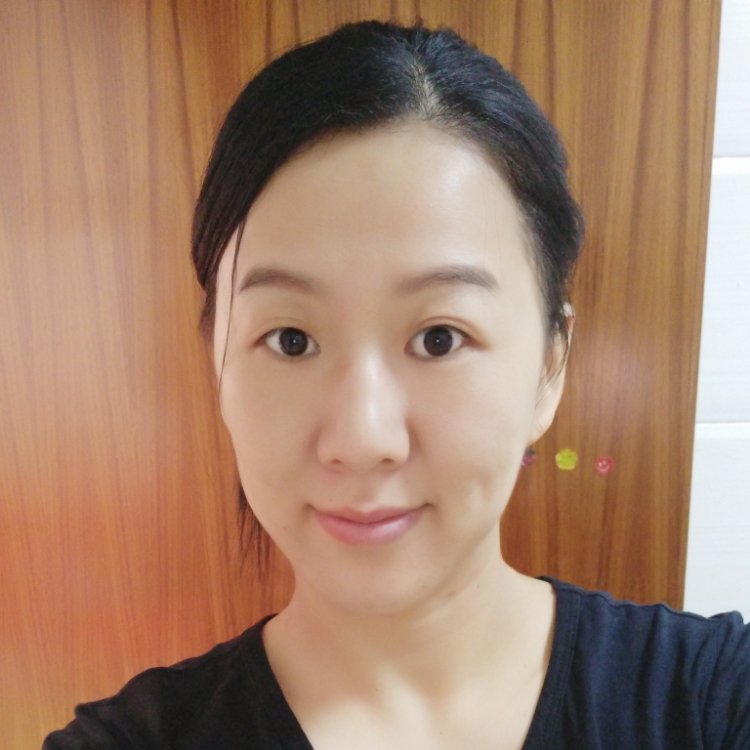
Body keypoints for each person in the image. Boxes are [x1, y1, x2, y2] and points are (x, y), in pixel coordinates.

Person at [43, 19, 749, 750]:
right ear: (216, 365)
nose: (363, 439)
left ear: (550, 366)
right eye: (291, 340)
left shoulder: (711, 700)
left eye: (439, 337)